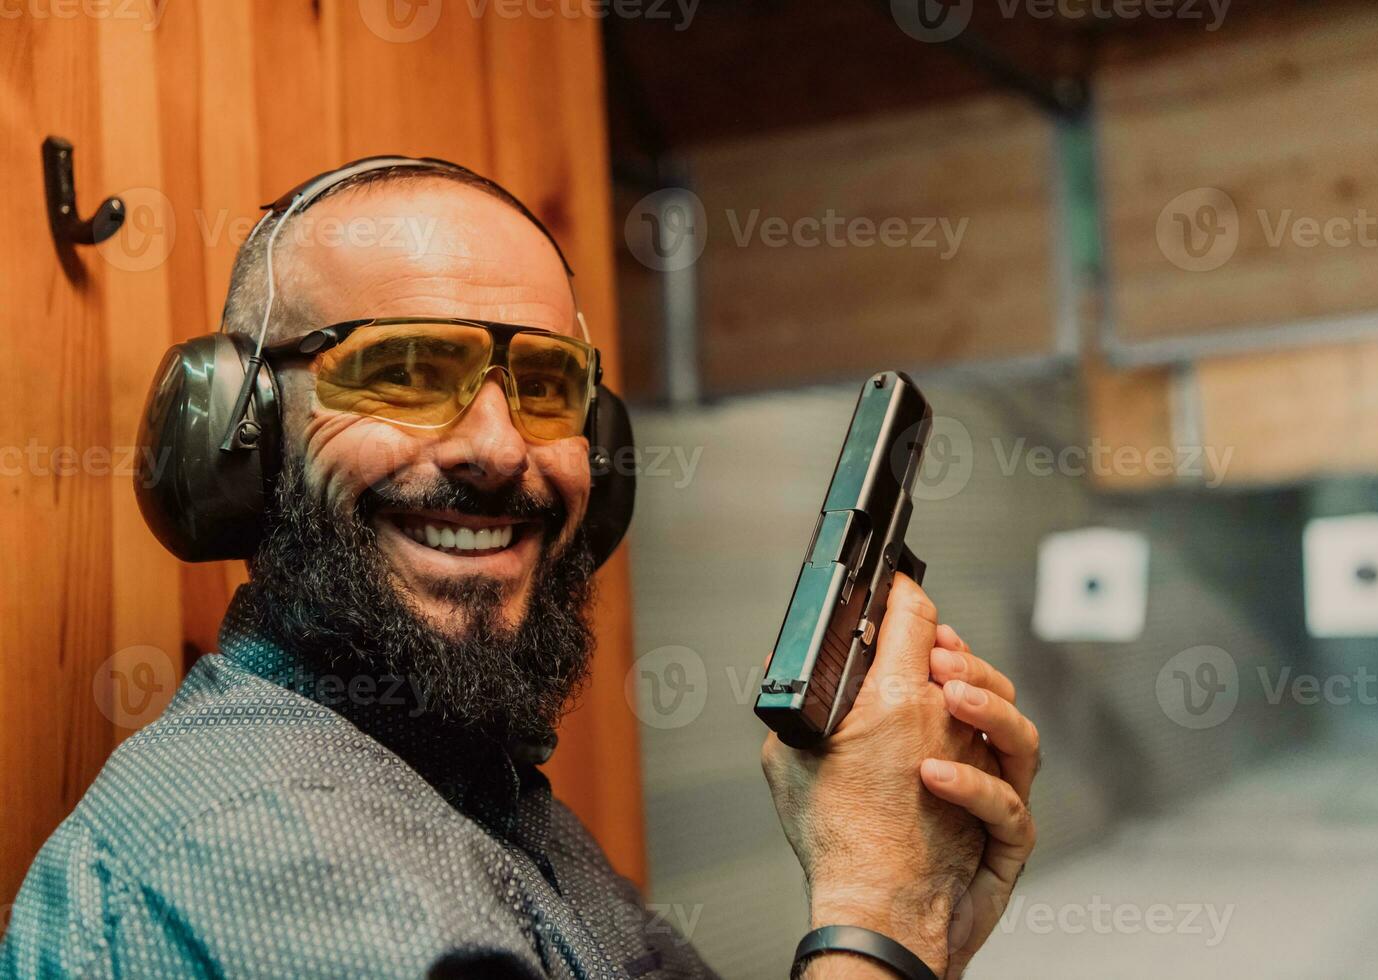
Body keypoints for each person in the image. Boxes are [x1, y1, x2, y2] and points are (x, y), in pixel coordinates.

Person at [0, 158, 1039, 979]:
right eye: (404, 371)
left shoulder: (474, 788)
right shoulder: (258, 839)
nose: (499, 449)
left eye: (547, 386)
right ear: (239, 434)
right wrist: (876, 913)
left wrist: (913, 909)